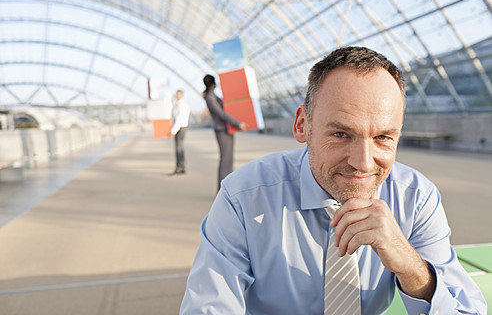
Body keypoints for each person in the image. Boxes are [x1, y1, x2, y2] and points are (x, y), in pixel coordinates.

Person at [181, 47, 487, 314]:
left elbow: (466, 310)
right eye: (341, 134)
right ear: (303, 126)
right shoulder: (243, 199)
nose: (363, 163)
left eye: (383, 137)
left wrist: (412, 267)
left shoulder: (415, 199)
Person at [202, 74, 247, 190]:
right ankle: (222, 189)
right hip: (222, 130)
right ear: (212, 83)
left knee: (228, 159)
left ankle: (227, 187)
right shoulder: (210, 97)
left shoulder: (212, 96)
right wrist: (238, 123)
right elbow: (221, 113)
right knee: (225, 160)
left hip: (226, 129)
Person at [170, 90, 190, 175]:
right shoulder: (176, 104)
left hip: (180, 128)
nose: (178, 96)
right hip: (181, 127)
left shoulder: (182, 105)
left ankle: (179, 167)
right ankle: (182, 167)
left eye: (179, 94)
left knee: (178, 148)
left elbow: (179, 119)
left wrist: (173, 130)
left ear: (182, 95)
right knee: (180, 147)